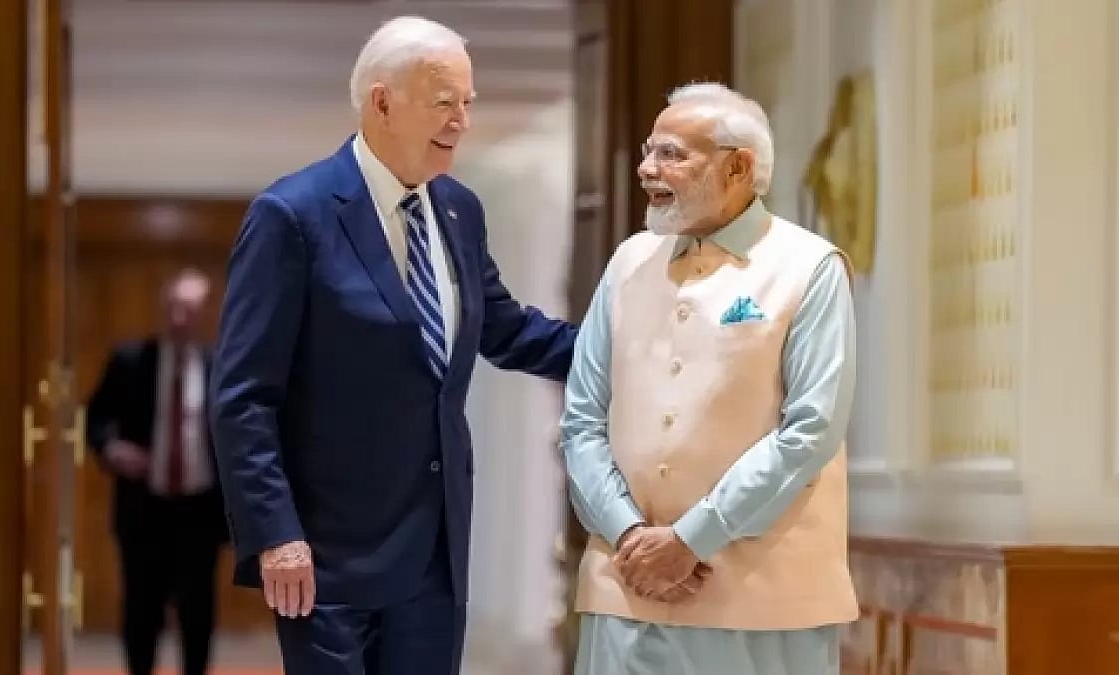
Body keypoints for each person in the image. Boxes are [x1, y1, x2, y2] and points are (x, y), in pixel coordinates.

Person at [208, 15, 577, 675]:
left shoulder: (459, 210)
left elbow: (504, 328)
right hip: (327, 556)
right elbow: (243, 397)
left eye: (467, 102)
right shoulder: (294, 216)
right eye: (444, 103)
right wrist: (276, 533)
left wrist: (624, 351)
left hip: (434, 550)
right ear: (382, 102)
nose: (462, 120)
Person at [560, 82, 858, 675]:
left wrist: (690, 540)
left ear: (738, 166)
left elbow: (810, 431)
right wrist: (629, 538)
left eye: (672, 153)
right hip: (624, 592)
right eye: (650, 150)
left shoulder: (810, 267)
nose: (648, 168)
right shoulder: (626, 263)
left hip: (764, 604)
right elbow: (582, 420)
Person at [86, 268, 228, 675]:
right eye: (173, 308)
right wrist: (111, 448)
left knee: (197, 614)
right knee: (141, 611)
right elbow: (96, 416)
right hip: (144, 509)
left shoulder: (218, 366)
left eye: (189, 309)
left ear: (204, 313)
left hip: (199, 510)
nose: (180, 318)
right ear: (163, 308)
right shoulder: (131, 361)